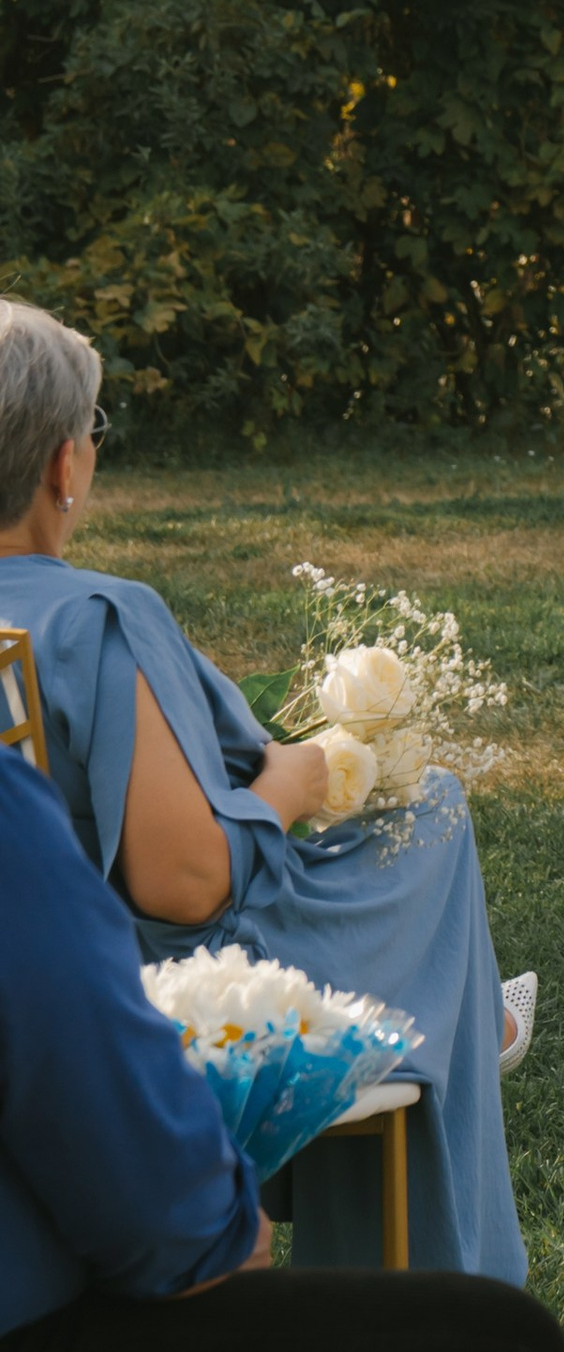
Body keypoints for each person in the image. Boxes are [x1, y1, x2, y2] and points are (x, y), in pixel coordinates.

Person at [0, 299, 527, 1280]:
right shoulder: (100, 616)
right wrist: (293, 779)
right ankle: (467, 1038)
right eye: (92, 432)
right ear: (63, 465)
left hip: (39, 960)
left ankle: (472, 1010)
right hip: (165, 972)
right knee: (433, 809)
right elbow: (183, 883)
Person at [0, 730, 564, 1352]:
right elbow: (146, 1191)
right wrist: (220, 1221)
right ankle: (466, 1024)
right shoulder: (10, 810)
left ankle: (468, 1019)